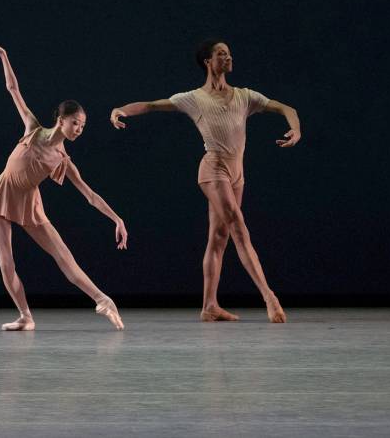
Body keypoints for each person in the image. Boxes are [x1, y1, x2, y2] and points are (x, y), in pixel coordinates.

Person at [110, 39, 301, 323]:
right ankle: (269, 296)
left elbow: (287, 108)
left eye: (229, 53)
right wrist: (121, 110)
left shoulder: (245, 96)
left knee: (219, 238)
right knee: (237, 225)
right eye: (221, 54)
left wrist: (295, 130)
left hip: (237, 175)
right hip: (213, 170)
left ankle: (209, 305)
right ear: (208, 62)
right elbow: (152, 105)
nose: (229, 57)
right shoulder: (193, 98)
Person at [0, 36, 126, 331]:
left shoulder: (62, 159)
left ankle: (103, 300)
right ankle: (25, 316)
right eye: (75, 123)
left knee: (62, 255)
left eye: (82, 127)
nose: (79, 130)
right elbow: (13, 89)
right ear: (61, 119)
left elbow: (89, 194)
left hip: (30, 204)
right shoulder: (32, 128)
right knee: (6, 264)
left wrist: (117, 218)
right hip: (3, 194)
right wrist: (4, 55)